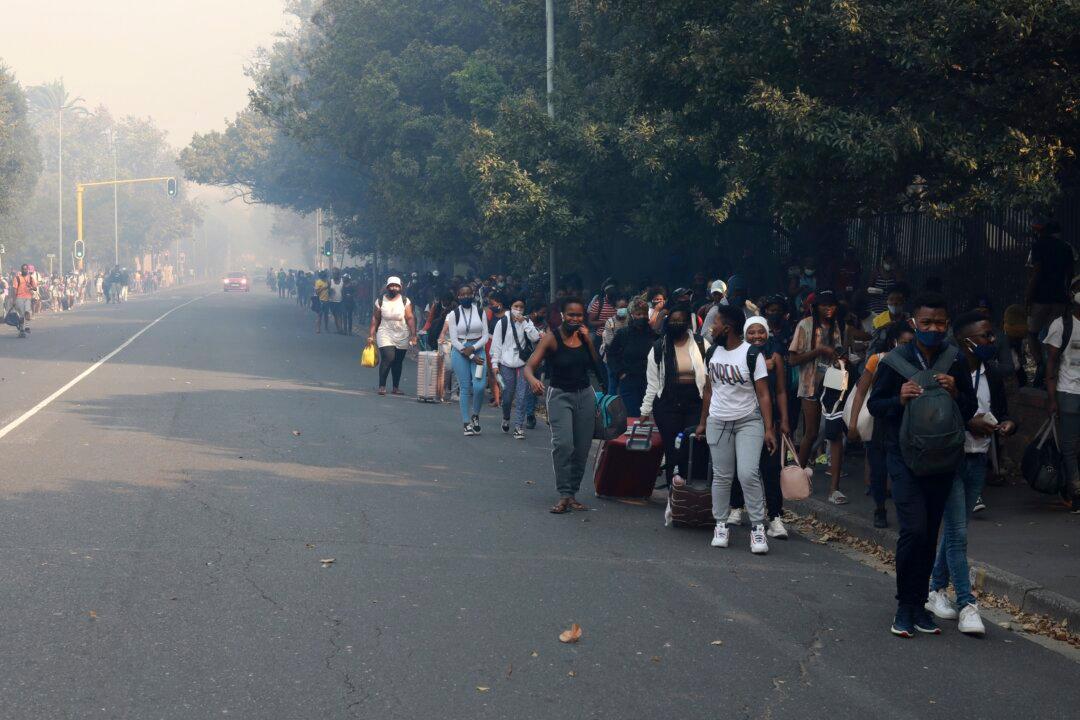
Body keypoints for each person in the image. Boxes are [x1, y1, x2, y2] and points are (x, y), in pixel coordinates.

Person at [867, 292, 977, 638]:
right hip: (903, 459)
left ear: (947, 324)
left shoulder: (955, 360)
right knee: (913, 530)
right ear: (914, 323)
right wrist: (899, 398)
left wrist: (957, 392)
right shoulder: (893, 361)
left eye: (940, 323)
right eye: (926, 322)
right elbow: (875, 405)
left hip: (943, 460)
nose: (933, 328)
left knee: (930, 534)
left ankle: (920, 605)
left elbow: (971, 409)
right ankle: (904, 605)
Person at [924, 311, 1016, 635]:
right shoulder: (949, 368)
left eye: (992, 335)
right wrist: (969, 422)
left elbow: (1004, 411)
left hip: (978, 459)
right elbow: (938, 412)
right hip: (952, 459)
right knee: (958, 534)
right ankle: (967, 604)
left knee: (953, 531)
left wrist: (1006, 425)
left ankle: (935, 590)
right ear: (967, 341)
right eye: (985, 336)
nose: (992, 341)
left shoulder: (991, 372)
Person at [695, 304, 776, 554]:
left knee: (748, 474)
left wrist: (768, 428)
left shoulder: (752, 354)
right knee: (721, 476)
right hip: (718, 421)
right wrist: (701, 422)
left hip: (748, 421)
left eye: (715, 323)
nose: (711, 328)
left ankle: (758, 528)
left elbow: (763, 394)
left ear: (727, 327)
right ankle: (721, 524)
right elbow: (709, 390)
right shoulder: (712, 354)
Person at [525, 297, 607, 514]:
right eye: (570, 314)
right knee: (564, 445)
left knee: (581, 449)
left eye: (579, 315)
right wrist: (533, 380)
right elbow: (529, 367)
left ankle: (572, 494)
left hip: (585, 396)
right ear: (562, 315)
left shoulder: (584, 337)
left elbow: (598, 369)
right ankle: (563, 494)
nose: (575, 318)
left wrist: (589, 342)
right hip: (560, 395)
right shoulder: (552, 338)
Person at [847, 321, 915, 528]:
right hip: (880, 421)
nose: (907, 347)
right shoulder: (878, 360)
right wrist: (853, 424)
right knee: (878, 469)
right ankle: (880, 508)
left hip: (907, 422)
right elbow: (861, 392)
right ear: (894, 342)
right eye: (904, 342)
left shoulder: (919, 363)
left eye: (911, 343)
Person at [732, 316, 792, 538]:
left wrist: (784, 420)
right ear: (744, 334)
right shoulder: (737, 355)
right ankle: (736, 508)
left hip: (770, 421)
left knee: (770, 469)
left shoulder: (775, 357)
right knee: (740, 466)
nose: (756, 336)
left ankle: (775, 517)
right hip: (742, 417)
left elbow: (781, 391)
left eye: (761, 332)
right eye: (751, 332)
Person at [788, 290, 847, 503]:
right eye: (824, 305)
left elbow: (839, 351)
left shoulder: (836, 326)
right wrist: (819, 350)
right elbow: (793, 360)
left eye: (832, 304)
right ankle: (797, 480)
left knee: (835, 433)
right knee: (811, 433)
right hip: (810, 384)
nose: (829, 308)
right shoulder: (805, 325)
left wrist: (840, 358)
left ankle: (834, 489)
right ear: (816, 307)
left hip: (832, 383)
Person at [640, 304, 707, 488]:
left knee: (690, 446)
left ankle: (690, 488)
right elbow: (653, 383)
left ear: (688, 323)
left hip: (695, 402)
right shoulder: (658, 347)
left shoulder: (701, 344)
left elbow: (710, 378)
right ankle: (673, 489)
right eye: (674, 321)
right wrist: (645, 409)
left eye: (681, 321)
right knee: (672, 448)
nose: (677, 324)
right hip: (667, 404)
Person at [1045, 275, 1080, 513]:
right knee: (1069, 446)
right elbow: (1051, 363)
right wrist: (1051, 398)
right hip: (1068, 391)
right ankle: (1075, 490)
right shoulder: (1061, 324)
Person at [1027, 221, 1074, 387]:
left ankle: (1041, 365)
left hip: (1041, 298)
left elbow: (1036, 271)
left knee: (1032, 333)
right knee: (1055, 337)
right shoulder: (1066, 248)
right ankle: (1051, 371)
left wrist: (1029, 297)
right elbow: (1070, 275)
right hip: (1060, 300)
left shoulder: (1039, 245)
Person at [491, 298, 542, 438]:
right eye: (516, 306)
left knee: (522, 395)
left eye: (521, 307)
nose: (518, 309)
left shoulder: (527, 322)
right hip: (506, 363)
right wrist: (495, 364)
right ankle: (506, 417)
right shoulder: (502, 322)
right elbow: (496, 345)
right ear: (510, 307)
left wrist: (524, 323)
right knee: (507, 397)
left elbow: (535, 337)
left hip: (523, 363)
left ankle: (519, 426)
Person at [448, 284, 490, 435]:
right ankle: (466, 423)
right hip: (460, 351)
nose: (465, 297)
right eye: (462, 295)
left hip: (478, 350)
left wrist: (474, 349)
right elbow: (453, 339)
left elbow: (485, 335)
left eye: (468, 294)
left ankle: (476, 415)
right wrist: (469, 354)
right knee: (465, 388)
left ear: (473, 295)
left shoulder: (480, 311)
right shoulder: (454, 314)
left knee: (479, 387)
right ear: (458, 297)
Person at [606, 297, 656, 416]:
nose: (641, 317)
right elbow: (611, 354)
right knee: (632, 416)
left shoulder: (653, 335)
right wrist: (620, 373)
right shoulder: (623, 334)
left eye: (644, 314)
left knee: (648, 416)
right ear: (632, 315)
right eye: (638, 314)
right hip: (629, 380)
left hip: (649, 381)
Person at [368, 276, 417, 396]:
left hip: (402, 333)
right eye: (391, 286)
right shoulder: (380, 300)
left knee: (398, 361)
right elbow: (375, 318)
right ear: (387, 287)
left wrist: (413, 334)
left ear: (400, 287)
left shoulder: (405, 301)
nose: (393, 288)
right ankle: (382, 386)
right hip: (385, 332)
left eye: (396, 286)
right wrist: (371, 334)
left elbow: (410, 318)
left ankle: (396, 387)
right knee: (388, 358)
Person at [600, 295, 629, 395]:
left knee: (624, 384)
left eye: (625, 307)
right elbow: (610, 344)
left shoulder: (630, 320)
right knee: (612, 384)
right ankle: (610, 407)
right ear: (615, 308)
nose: (623, 310)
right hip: (610, 358)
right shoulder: (610, 322)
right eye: (620, 308)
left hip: (625, 358)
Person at [11, 264, 36, 338]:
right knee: (22, 314)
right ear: (21, 270)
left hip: (28, 297)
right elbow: (14, 289)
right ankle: (22, 329)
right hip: (19, 297)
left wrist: (30, 286)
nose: (24, 270)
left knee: (27, 312)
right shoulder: (17, 278)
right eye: (23, 269)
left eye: (26, 269)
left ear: (28, 270)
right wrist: (13, 300)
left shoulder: (31, 278)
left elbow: (35, 288)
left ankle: (27, 327)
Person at [328, 269, 345, 334]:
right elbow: (328, 292)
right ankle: (338, 329)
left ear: (338, 274)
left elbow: (344, 290)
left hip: (340, 301)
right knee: (335, 315)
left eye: (336, 274)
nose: (335, 275)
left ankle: (340, 329)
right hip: (332, 302)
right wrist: (330, 291)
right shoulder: (330, 281)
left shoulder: (342, 281)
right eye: (334, 274)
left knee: (339, 315)